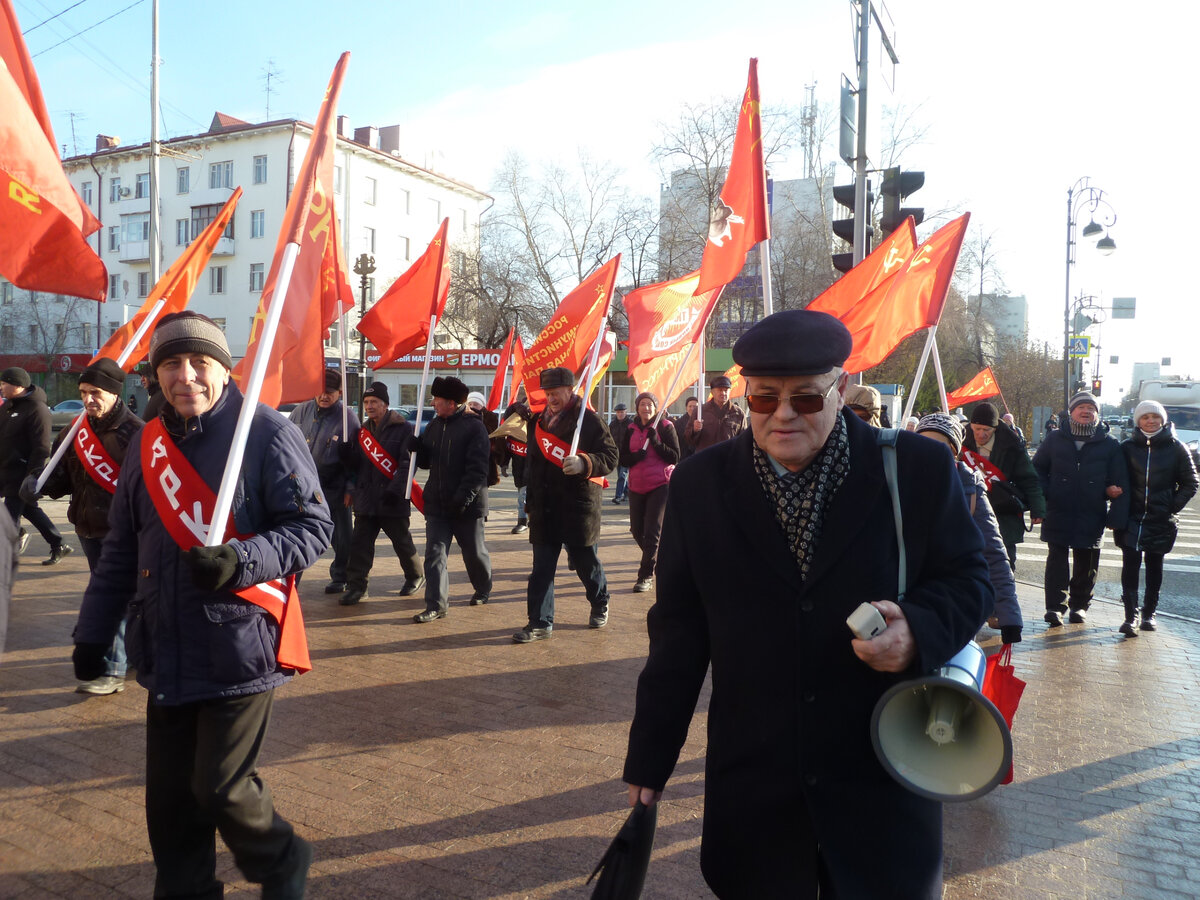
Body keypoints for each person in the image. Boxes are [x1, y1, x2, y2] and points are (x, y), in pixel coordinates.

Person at [622, 309, 991, 898]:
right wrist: (651, 758)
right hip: (755, 781)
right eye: (764, 398)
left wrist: (918, 630)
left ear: (840, 389)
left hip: (881, 773)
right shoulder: (699, 484)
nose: (784, 414)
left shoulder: (914, 468)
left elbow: (970, 579)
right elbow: (679, 633)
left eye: (806, 398)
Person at [72, 311, 332, 898]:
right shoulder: (146, 443)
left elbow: (314, 528)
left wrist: (242, 559)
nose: (185, 376)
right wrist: (93, 631)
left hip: (238, 646)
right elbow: (121, 548)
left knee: (221, 787)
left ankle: (281, 856)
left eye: (199, 362)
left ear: (223, 368)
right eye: (171, 363)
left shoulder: (264, 432)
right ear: (154, 374)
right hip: (163, 646)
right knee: (170, 808)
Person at [32, 358, 143, 694]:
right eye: (83, 392)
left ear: (114, 392)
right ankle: (132, 654)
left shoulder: (136, 434)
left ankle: (111, 671)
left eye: (95, 392)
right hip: (86, 526)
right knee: (120, 596)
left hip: (122, 532)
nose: (88, 399)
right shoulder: (75, 430)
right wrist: (38, 484)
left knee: (113, 597)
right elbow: (61, 478)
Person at [514, 367, 618, 643]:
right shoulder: (538, 422)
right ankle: (539, 622)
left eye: (555, 393)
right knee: (541, 570)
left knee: (586, 565)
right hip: (544, 508)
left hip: (577, 507)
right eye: (547, 394)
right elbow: (533, 465)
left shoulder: (589, 420)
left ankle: (600, 601)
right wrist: (530, 503)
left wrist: (585, 462)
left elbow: (611, 456)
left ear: (570, 390)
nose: (551, 399)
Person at [916, 413, 1022, 643]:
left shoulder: (970, 488)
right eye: (921, 444)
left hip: (953, 606)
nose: (928, 453)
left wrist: (1009, 616)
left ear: (954, 453)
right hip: (904, 604)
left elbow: (994, 553)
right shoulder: (894, 480)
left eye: (939, 447)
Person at [1032, 391, 1129, 628]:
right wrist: (1045, 495)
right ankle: (1055, 608)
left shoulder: (1109, 444)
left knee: (1086, 563)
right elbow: (1037, 470)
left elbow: (1119, 480)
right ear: (1071, 411)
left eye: (1091, 408)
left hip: (1092, 511)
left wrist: (1114, 507)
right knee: (1056, 561)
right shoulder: (1054, 439)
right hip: (1058, 509)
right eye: (1081, 407)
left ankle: (1079, 605)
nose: (1086, 411)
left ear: (1097, 413)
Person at [1114, 400, 1199, 635]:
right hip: (1132, 518)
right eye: (1145, 417)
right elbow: (1115, 477)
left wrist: (1171, 506)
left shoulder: (1176, 447)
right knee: (1130, 565)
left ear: (1162, 419)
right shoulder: (1127, 447)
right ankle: (1130, 616)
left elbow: (1191, 482)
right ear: (1138, 421)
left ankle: (1149, 614)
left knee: (1154, 566)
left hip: (1161, 518)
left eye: (1155, 416)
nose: (1150, 421)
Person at [413, 376, 492, 621]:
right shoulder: (434, 425)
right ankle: (436, 605)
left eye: (436, 399)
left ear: (451, 403)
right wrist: (417, 449)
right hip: (437, 505)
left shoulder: (475, 428)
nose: (432, 403)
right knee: (434, 555)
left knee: (474, 553)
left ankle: (483, 587)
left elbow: (477, 471)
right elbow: (426, 463)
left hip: (467, 507)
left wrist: (461, 500)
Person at [341, 382, 424, 606]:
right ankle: (357, 587)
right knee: (360, 546)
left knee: (402, 543)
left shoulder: (404, 429)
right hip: (366, 499)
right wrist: (348, 457)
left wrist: (395, 491)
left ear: (385, 404)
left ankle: (415, 576)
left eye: (374, 402)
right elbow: (358, 466)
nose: (369, 406)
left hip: (391, 499)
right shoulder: (362, 432)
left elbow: (407, 465)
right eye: (366, 402)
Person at [290, 369, 360, 594]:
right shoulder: (301, 411)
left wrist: (350, 488)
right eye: (320, 391)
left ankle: (341, 576)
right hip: (302, 487)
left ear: (340, 392)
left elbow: (356, 460)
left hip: (335, 487)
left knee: (342, 537)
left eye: (329, 392)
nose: (324, 396)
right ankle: (290, 581)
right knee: (298, 533)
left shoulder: (348, 419)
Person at [961, 402, 1046, 571]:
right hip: (969, 512)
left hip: (1003, 513)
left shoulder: (1012, 446)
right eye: (977, 429)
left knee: (1003, 565)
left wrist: (1038, 509)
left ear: (995, 428)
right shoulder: (961, 441)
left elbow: (1028, 479)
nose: (981, 434)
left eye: (987, 430)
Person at [0, 366, 70, 564]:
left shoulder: (37, 409)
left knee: (9, 517)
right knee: (29, 509)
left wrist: (34, 474)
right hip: (5, 470)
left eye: (4, 383)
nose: (1, 387)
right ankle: (58, 543)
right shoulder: (8, 407)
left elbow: (41, 447)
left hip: (21, 473)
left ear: (18, 385)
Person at [619, 391, 679, 593]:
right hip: (636, 486)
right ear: (637, 408)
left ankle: (645, 576)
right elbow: (622, 458)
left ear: (655, 407)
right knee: (637, 530)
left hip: (660, 485)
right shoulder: (630, 428)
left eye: (650, 404)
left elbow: (675, 456)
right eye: (642, 404)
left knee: (652, 531)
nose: (646, 408)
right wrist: (636, 456)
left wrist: (656, 443)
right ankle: (662, 558)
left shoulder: (665, 426)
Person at [686, 375, 746, 453]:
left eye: (726, 390)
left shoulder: (738, 413)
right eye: (720, 390)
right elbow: (688, 439)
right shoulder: (700, 411)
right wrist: (694, 430)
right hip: (705, 457)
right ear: (712, 392)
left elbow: (744, 441)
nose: (723, 393)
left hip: (728, 458)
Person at [498, 400, 532, 533]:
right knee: (523, 493)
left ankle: (522, 521)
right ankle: (529, 520)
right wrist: (504, 463)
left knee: (524, 495)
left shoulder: (539, 415)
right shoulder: (514, 412)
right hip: (519, 466)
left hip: (533, 466)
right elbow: (508, 446)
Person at [465, 390, 502, 487]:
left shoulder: (490, 416)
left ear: (482, 405)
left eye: (476, 404)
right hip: (467, 457)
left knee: (482, 486)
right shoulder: (463, 416)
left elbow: (491, 434)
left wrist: (478, 419)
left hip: (485, 457)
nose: (472, 406)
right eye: (470, 404)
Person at [608, 403, 631, 503]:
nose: (620, 414)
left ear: (626, 412)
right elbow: (608, 438)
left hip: (627, 454)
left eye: (622, 412)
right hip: (616, 454)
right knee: (621, 475)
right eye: (618, 412)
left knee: (622, 475)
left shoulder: (630, 424)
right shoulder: (613, 424)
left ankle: (618, 496)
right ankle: (627, 493)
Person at [673, 396, 699, 461]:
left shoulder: (704, 420)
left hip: (700, 455)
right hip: (684, 456)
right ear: (686, 408)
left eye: (695, 406)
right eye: (690, 406)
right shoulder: (679, 423)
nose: (692, 408)